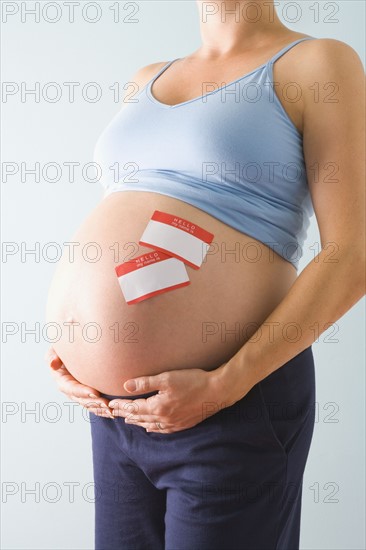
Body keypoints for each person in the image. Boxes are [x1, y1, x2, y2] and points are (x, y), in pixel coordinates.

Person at [45, 1, 365, 548]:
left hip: (230, 400)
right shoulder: (146, 78)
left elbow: (353, 253)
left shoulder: (316, 63)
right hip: (115, 415)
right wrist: (74, 346)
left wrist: (225, 385)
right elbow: (127, 226)